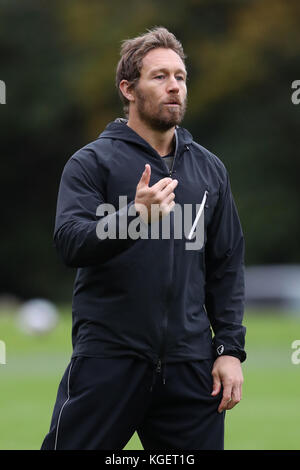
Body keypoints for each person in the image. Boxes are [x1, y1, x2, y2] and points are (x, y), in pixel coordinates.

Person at [41, 26, 246, 451]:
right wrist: (134, 216)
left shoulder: (210, 170)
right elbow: (70, 242)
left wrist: (228, 349)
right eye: (159, 77)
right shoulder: (91, 163)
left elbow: (226, 266)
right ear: (128, 89)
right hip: (110, 360)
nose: (174, 87)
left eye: (180, 76)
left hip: (191, 367)